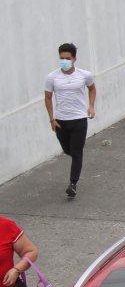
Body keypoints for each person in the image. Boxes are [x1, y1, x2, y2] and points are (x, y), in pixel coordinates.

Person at [44, 43, 96, 199]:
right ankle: (73, 159)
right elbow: (47, 97)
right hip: (61, 121)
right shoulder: (52, 77)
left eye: (67, 58)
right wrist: (51, 119)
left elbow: (92, 88)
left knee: (77, 152)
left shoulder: (85, 75)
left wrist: (91, 106)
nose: (64, 61)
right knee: (68, 150)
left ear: (74, 59)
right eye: (61, 58)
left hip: (79, 119)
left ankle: (73, 184)